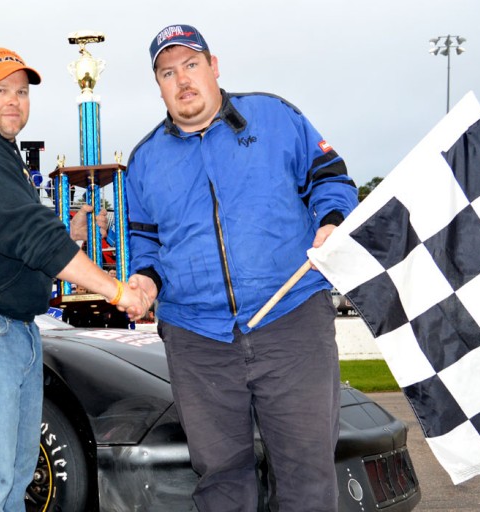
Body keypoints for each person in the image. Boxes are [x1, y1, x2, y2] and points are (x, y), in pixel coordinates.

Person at [124, 25, 359, 511]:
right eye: (168, 72)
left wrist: (333, 221)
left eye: (191, 65)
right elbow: (144, 241)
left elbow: (332, 180)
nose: (182, 80)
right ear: (159, 85)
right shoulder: (145, 160)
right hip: (196, 340)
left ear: (214, 67)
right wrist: (145, 277)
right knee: (222, 480)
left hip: (291, 322)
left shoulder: (276, 117)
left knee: (307, 473)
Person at [0, 47, 149, 511]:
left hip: (9, 329)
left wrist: (71, 234)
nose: (13, 100)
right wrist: (117, 290)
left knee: (12, 481)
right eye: (0, 90)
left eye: (21, 92)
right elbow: (30, 235)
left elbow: (8, 239)